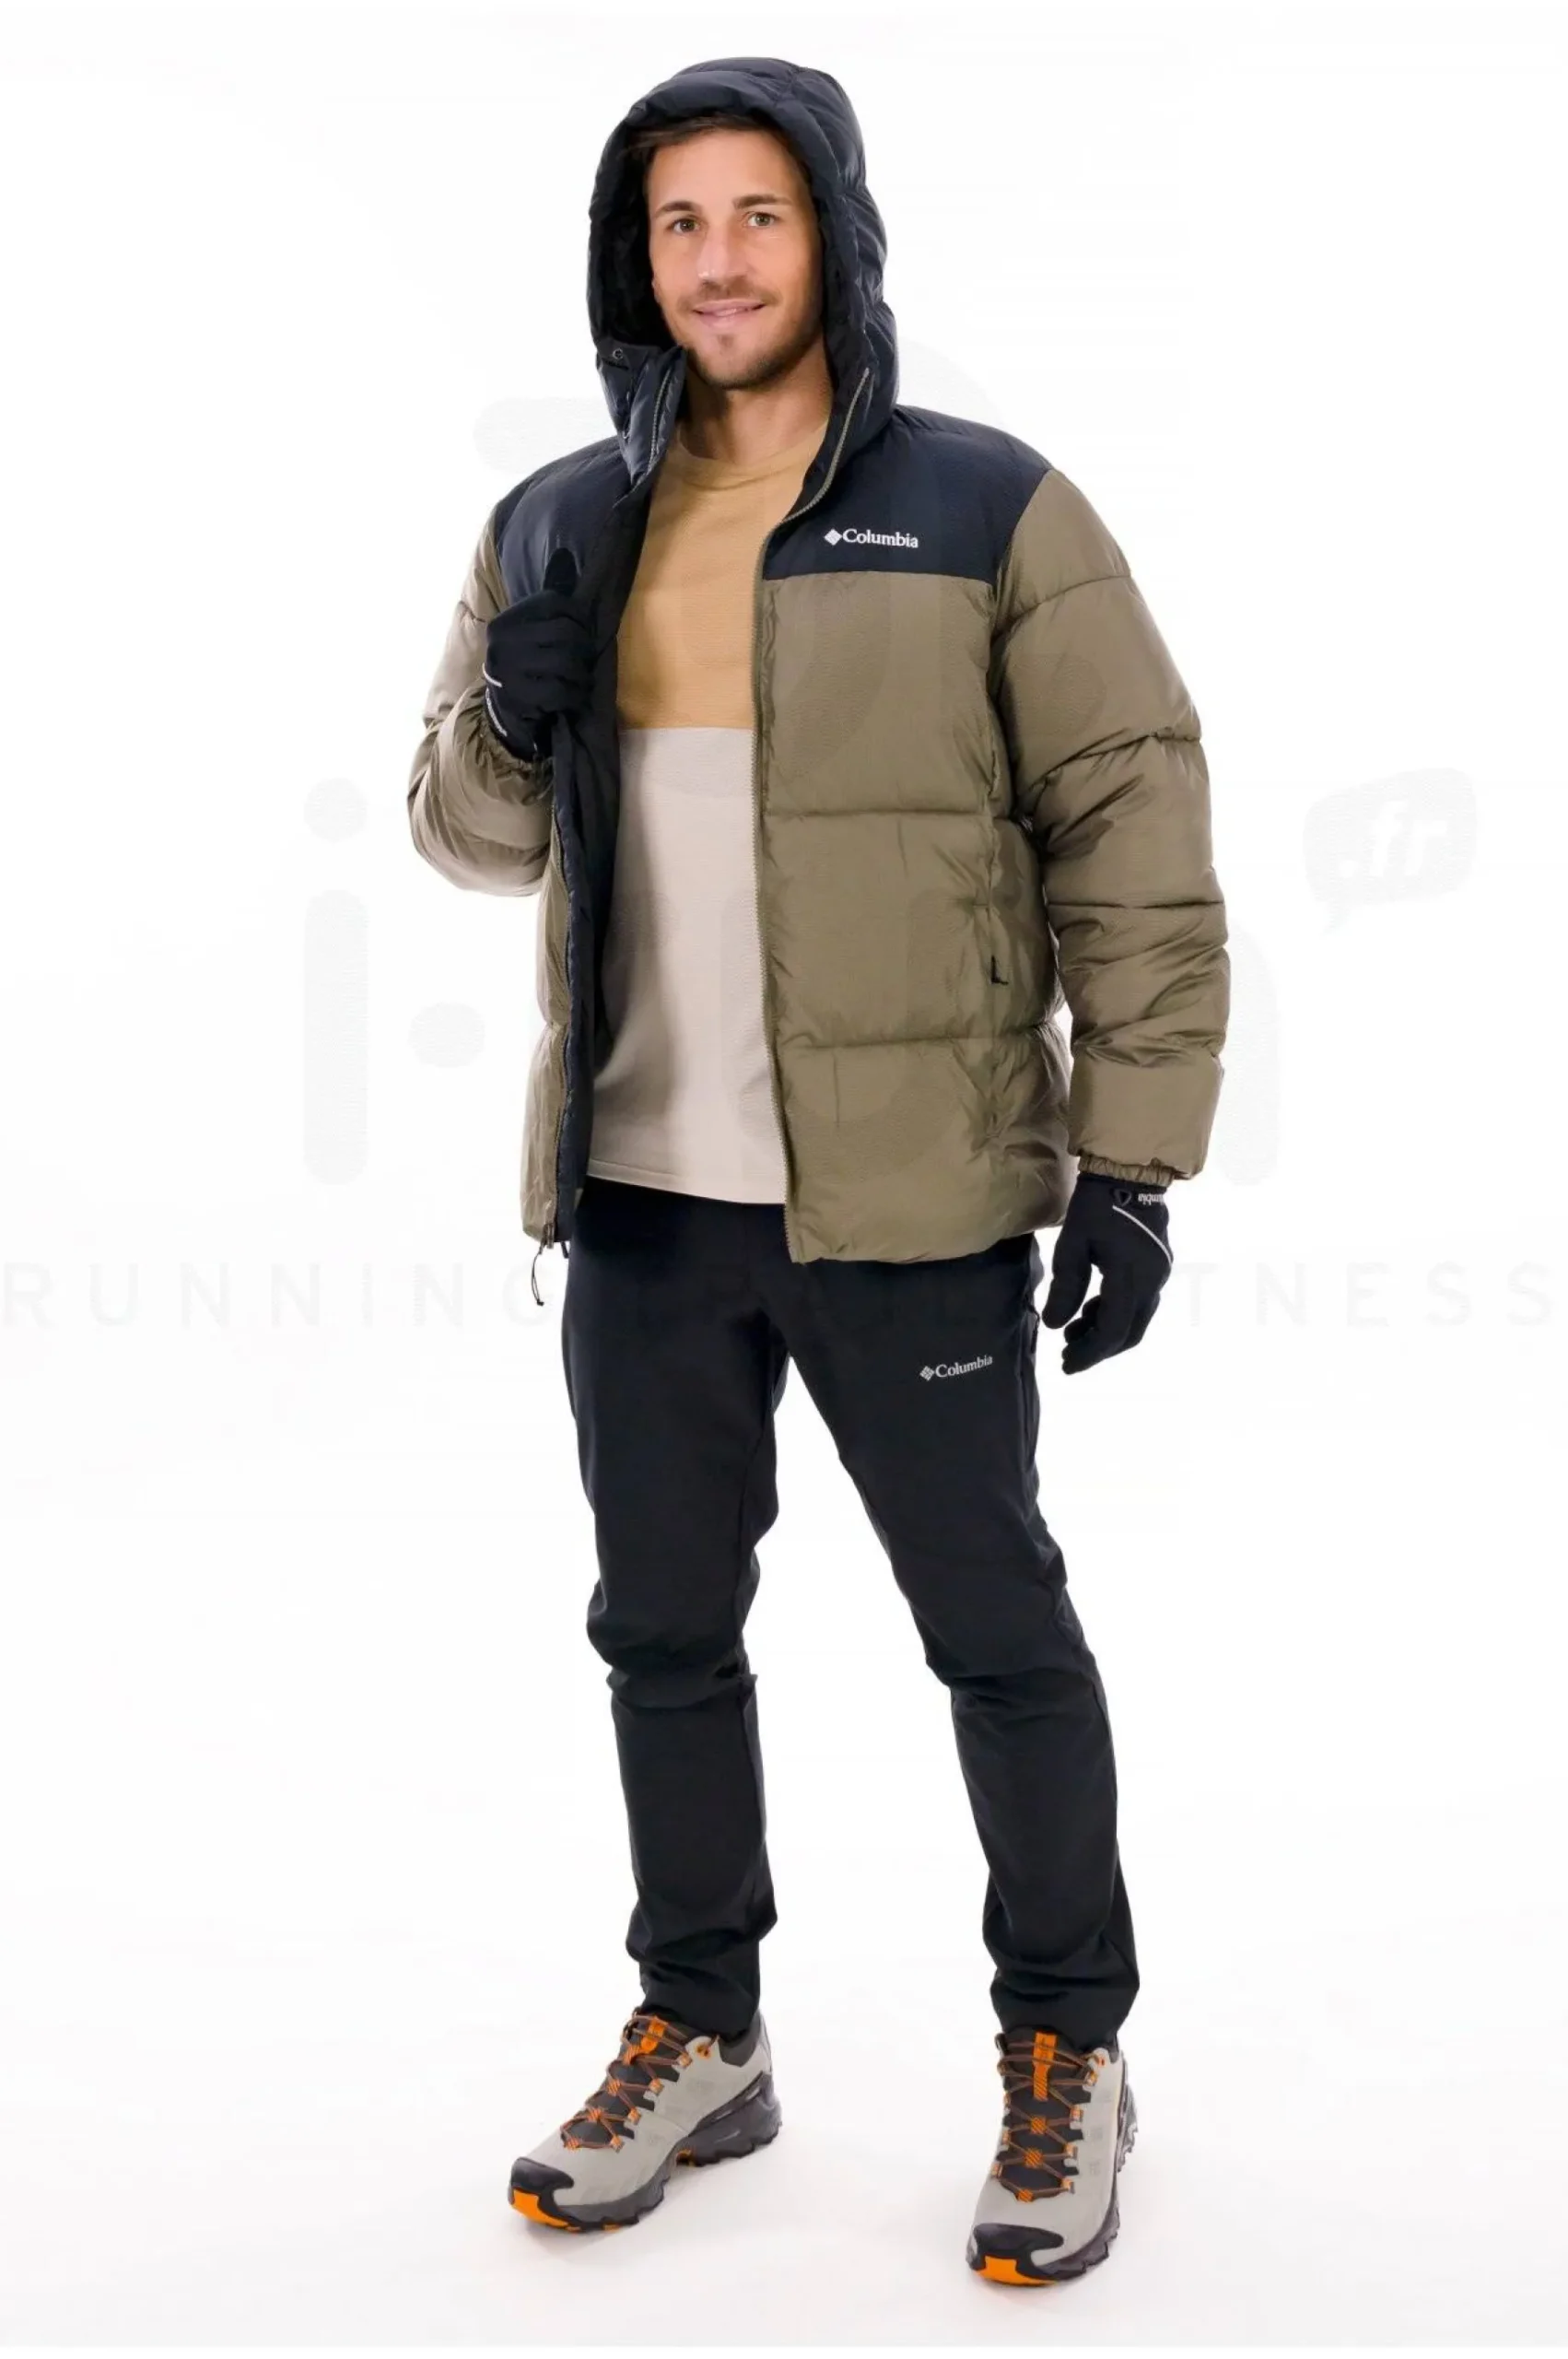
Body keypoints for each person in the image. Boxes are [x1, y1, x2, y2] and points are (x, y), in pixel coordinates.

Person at [407, 55, 1228, 2287]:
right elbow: (463, 834)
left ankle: (1068, 2048)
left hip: (909, 1199)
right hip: (642, 1196)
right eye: (676, 222)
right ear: (634, 258)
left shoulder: (987, 506)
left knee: (994, 1630)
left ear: (832, 237)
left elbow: (1132, 827)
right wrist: (512, 717)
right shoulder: (556, 522)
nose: (716, 262)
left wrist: (1132, 1163)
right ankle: (700, 2023)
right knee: (662, 1631)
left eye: (755, 215)